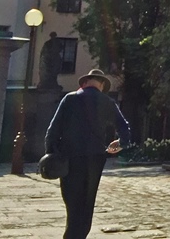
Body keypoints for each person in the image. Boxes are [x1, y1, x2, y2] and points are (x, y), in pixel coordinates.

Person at [44, 69, 132, 239]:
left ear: (84, 83)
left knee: (72, 201)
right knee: (87, 202)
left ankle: (71, 234)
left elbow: (52, 131)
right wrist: (120, 144)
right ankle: (79, 234)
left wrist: (50, 156)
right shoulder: (107, 101)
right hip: (95, 158)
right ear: (101, 85)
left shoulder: (70, 98)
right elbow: (124, 128)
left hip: (70, 157)